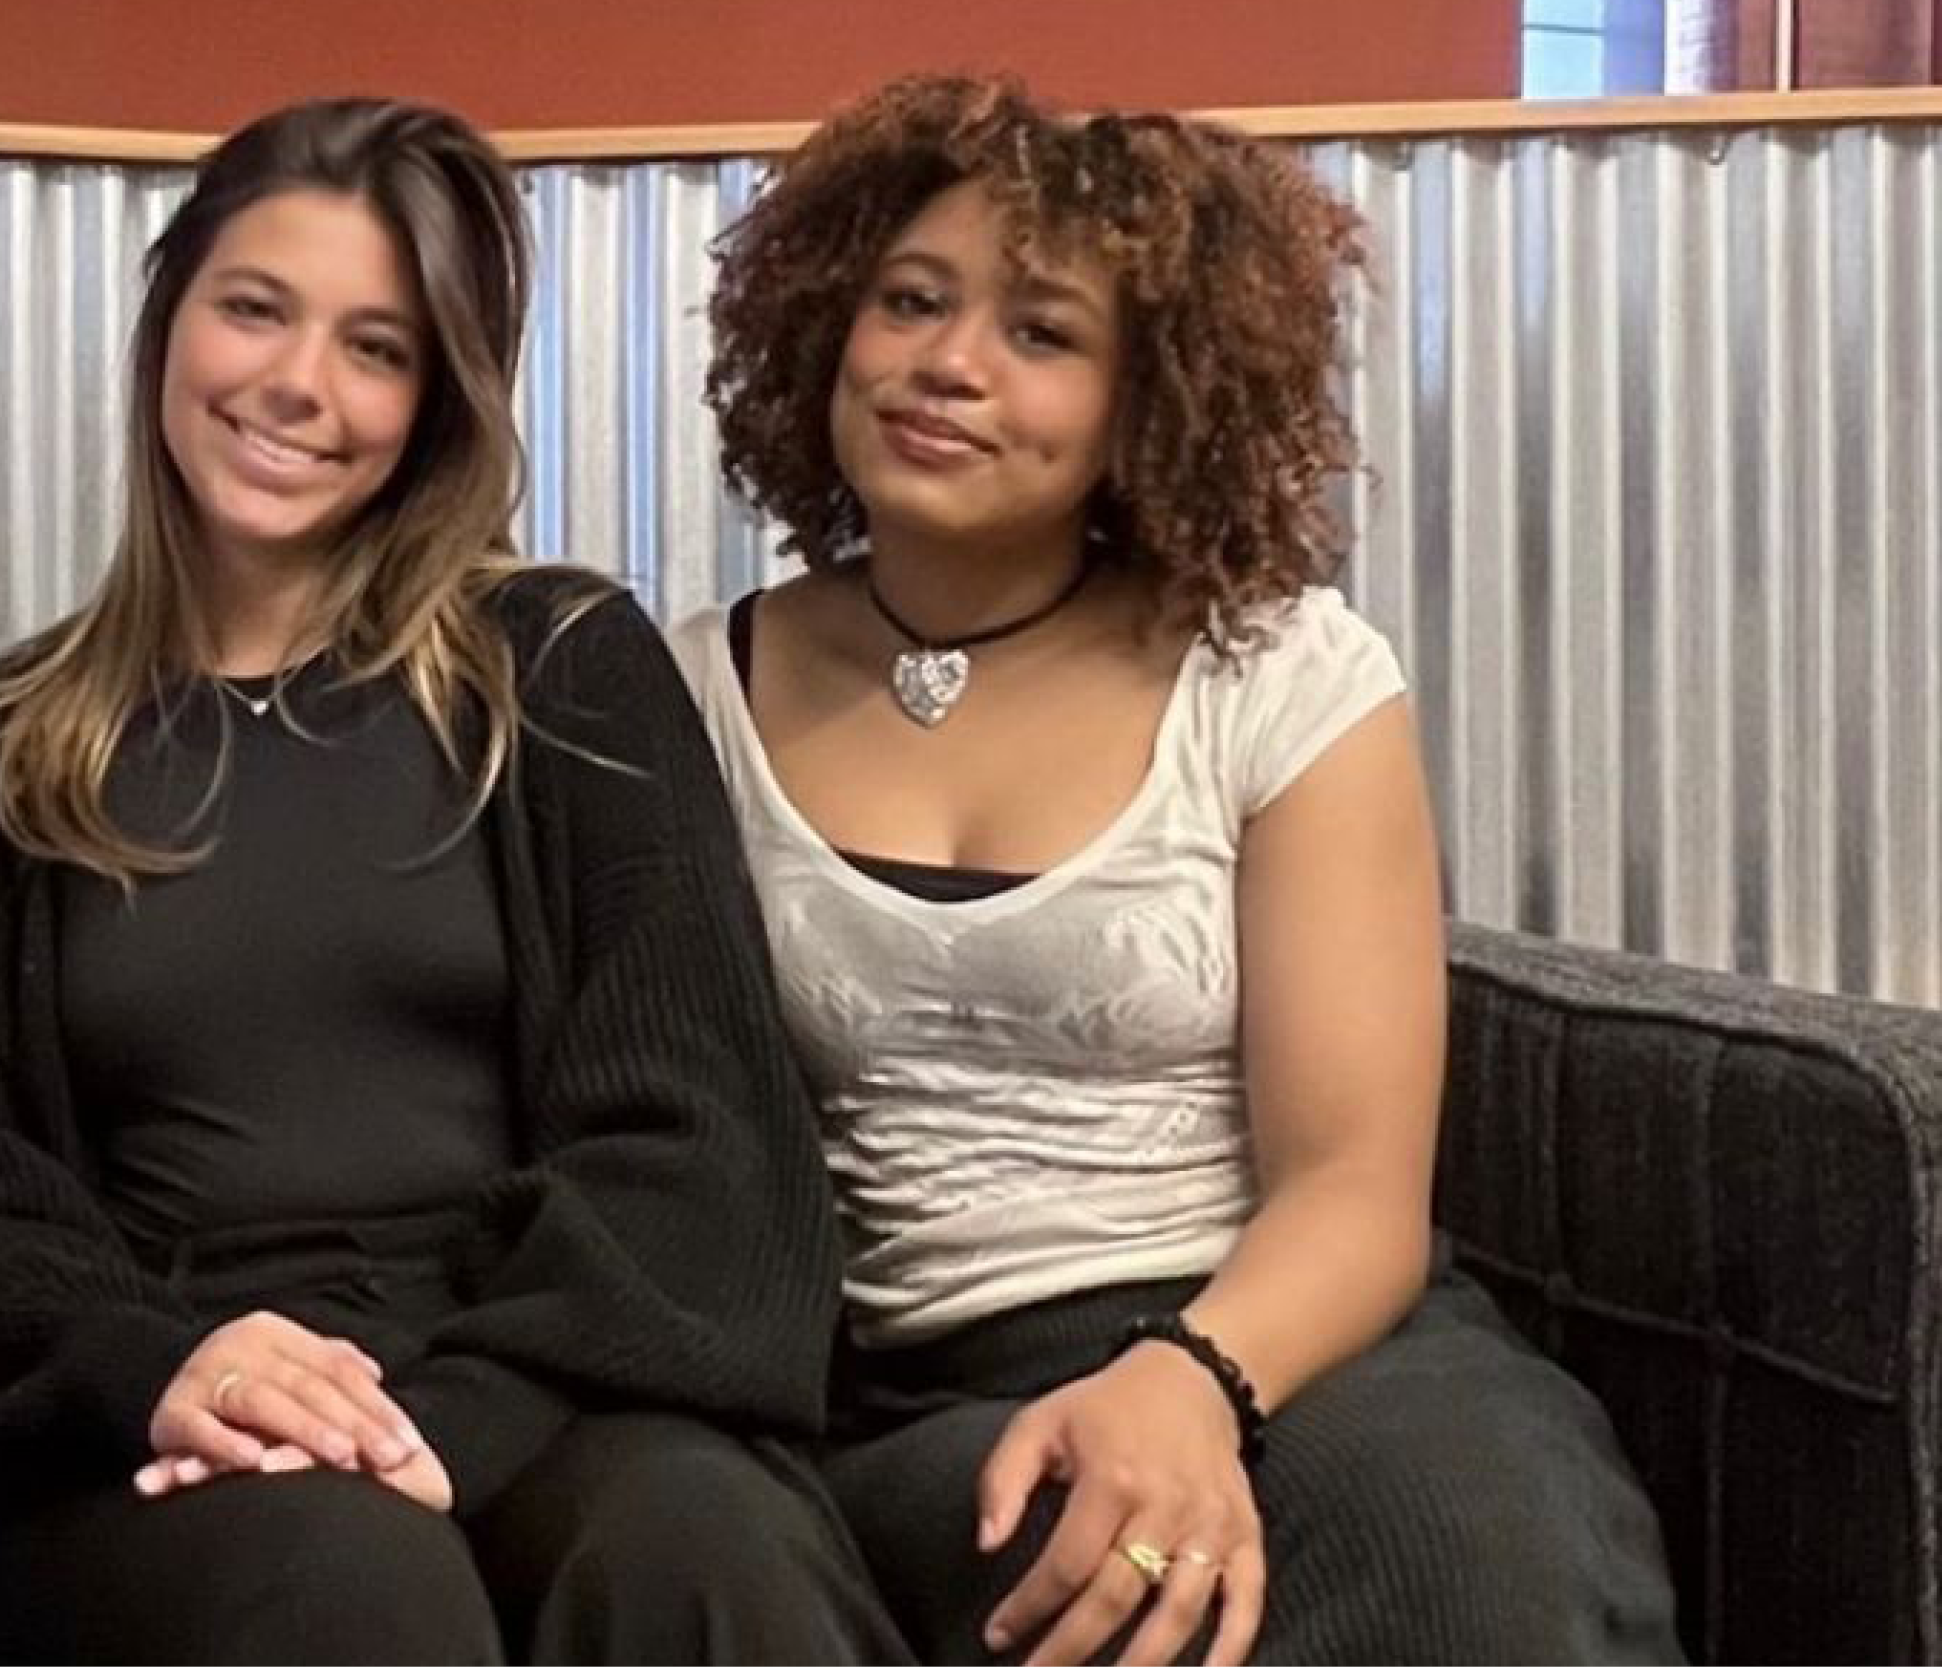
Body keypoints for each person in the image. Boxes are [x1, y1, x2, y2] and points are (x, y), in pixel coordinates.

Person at [0, 95, 902, 1665]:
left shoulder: (558, 671)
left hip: (551, 1369)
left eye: (377, 345)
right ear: (168, 327)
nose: (298, 384)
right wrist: (164, 1363)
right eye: (254, 310)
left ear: (436, 400)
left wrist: (444, 1418)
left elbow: (699, 1134)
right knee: (344, 1587)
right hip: (180, 1405)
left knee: (704, 1557)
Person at [680, 75, 1684, 1665]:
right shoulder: (689, 693)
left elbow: (1356, 1186)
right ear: (827, 328)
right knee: (1099, 1577)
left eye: (1043, 334)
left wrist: (1187, 1376)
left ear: (1150, 403)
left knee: (1471, 1558)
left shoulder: (1282, 674)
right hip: (914, 1388)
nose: (949, 364)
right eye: (912, 302)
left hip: (1291, 1336)